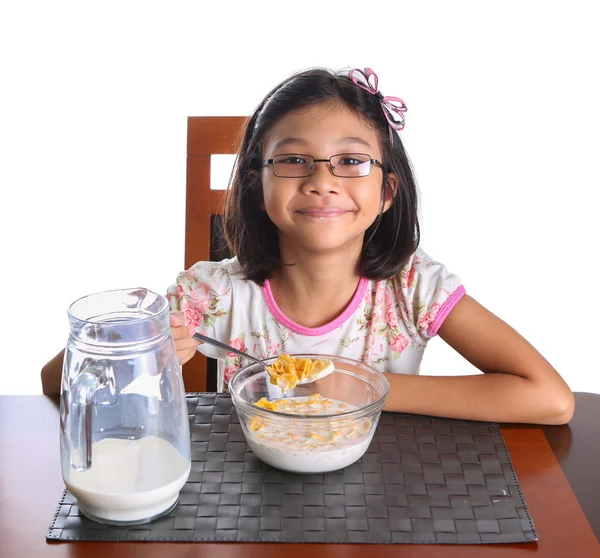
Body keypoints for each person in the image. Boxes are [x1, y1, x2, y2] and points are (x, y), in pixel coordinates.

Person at [167, 67, 574, 425]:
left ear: (387, 192)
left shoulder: (413, 289)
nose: (322, 181)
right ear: (258, 189)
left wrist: (362, 386)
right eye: (292, 160)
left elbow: (550, 399)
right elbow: (114, 379)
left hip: (386, 487)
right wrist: (149, 355)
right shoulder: (214, 294)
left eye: (350, 161)